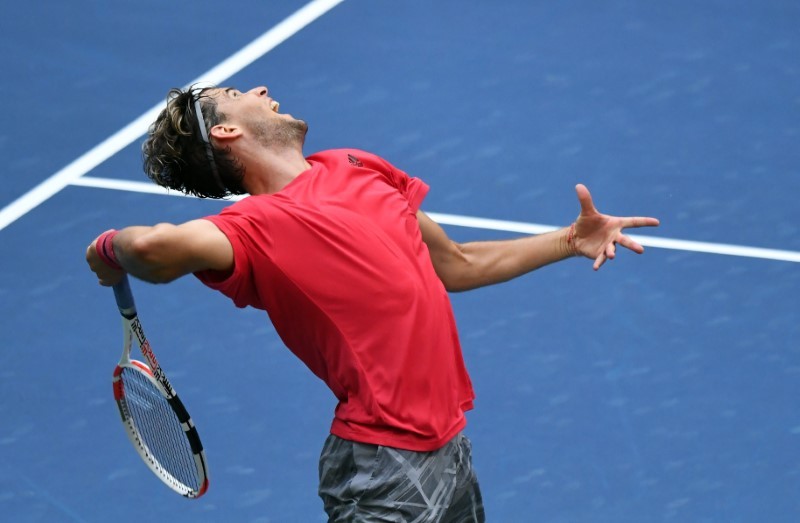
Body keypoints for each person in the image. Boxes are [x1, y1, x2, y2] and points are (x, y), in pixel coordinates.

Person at [86, 85, 659, 522]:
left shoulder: (354, 166)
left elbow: (458, 263)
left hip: (448, 443)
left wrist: (568, 240)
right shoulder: (251, 229)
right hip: (382, 468)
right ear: (228, 131)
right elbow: (152, 247)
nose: (259, 91)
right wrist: (108, 249)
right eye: (239, 94)